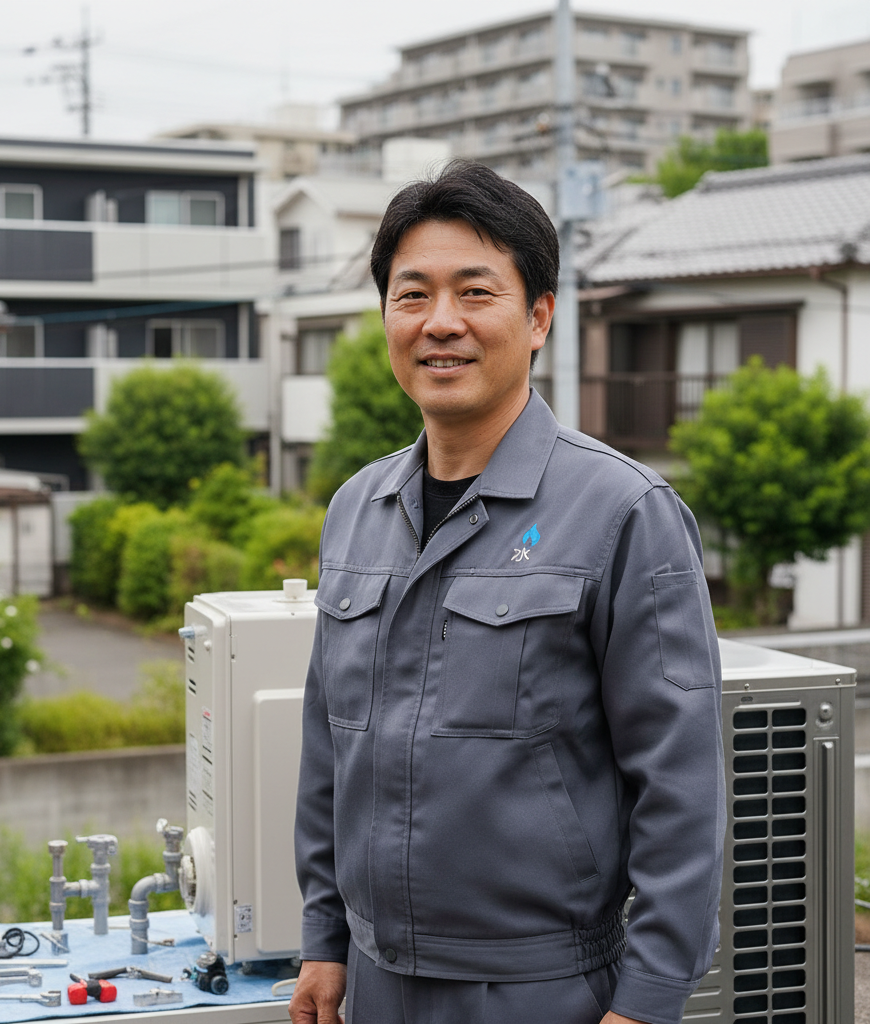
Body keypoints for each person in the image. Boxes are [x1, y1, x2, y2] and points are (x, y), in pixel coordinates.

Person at [290, 162, 725, 1024]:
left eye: (475, 292)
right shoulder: (355, 510)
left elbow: (680, 782)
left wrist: (647, 999)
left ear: (538, 316)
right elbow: (328, 751)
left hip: (545, 989)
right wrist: (324, 936)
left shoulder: (623, 511)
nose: (440, 323)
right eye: (412, 295)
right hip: (377, 984)